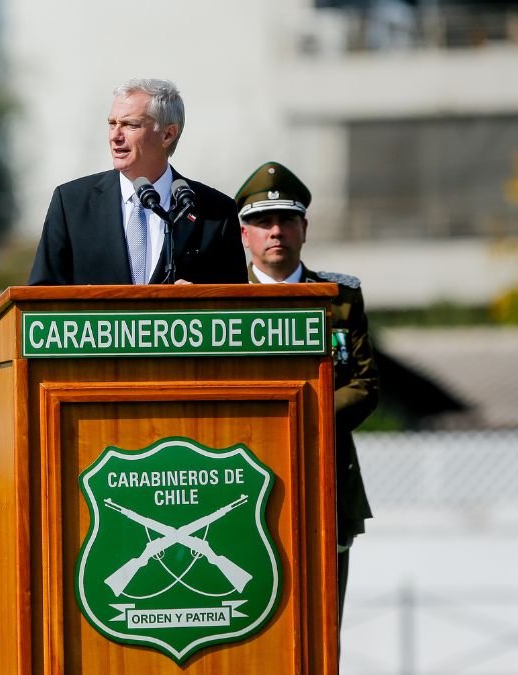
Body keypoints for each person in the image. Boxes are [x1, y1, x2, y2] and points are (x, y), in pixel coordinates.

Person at [234, 161, 379, 622]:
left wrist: (300, 417)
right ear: (244, 235)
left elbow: (365, 385)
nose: (275, 231)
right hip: (240, 483)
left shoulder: (340, 297)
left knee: (320, 628)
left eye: (285, 220)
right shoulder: (220, 298)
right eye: (261, 222)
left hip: (324, 477)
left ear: (304, 228)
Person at [28, 78, 246, 286]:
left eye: (130, 125)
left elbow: (237, 311)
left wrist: (200, 300)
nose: (115, 135)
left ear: (167, 134)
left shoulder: (215, 213)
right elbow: (40, 301)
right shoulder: (72, 203)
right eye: (112, 123)